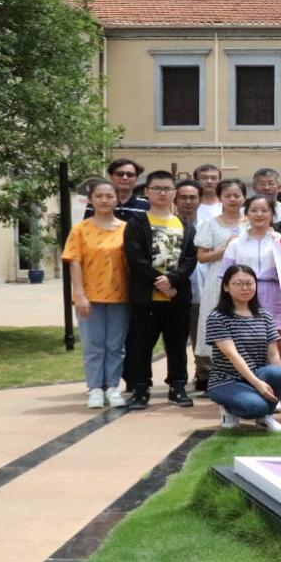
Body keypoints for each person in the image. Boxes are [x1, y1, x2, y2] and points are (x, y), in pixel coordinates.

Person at [123, 170, 198, 410]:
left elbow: (190, 259)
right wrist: (162, 282)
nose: (162, 193)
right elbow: (135, 259)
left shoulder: (185, 225)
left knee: (177, 346)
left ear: (174, 193)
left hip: (177, 298)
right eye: (157, 188)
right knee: (141, 345)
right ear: (147, 191)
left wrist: (173, 281)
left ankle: (177, 386)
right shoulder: (136, 224)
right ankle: (140, 388)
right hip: (145, 298)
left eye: (167, 188)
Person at [62, 179, 130, 408]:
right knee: (93, 345)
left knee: (115, 346)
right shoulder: (80, 229)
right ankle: (95, 388)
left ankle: (112, 387)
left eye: (109, 196)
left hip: (120, 296)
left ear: (117, 199)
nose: (104, 200)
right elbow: (74, 262)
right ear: (90, 200)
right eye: (99, 196)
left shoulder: (126, 229)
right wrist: (79, 294)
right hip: (89, 297)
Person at [206, 264, 281, 432]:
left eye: (249, 283)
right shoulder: (217, 317)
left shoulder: (264, 316)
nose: (245, 288)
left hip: (257, 374)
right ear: (226, 287)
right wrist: (257, 384)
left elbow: (273, 354)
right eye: (238, 284)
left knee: (278, 373)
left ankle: (265, 417)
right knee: (255, 406)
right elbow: (232, 355)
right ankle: (228, 409)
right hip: (227, 380)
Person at [192, 179, 248, 390]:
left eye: (237, 195)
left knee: (245, 326)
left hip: (247, 283)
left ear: (244, 198)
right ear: (220, 198)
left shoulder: (251, 223)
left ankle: (244, 376)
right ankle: (216, 376)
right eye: (227, 195)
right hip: (218, 282)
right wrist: (226, 249)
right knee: (218, 327)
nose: (232, 199)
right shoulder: (210, 224)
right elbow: (202, 257)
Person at [219, 194, 281, 332]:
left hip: (275, 297)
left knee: (274, 340)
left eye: (264, 210)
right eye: (254, 210)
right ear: (246, 213)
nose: (259, 214)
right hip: (242, 297)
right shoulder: (236, 244)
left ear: (272, 213)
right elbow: (226, 277)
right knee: (244, 340)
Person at [173, 180, 205, 390]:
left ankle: (204, 374)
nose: (188, 202)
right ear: (175, 199)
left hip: (203, 289)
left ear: (200, 200)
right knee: (176, 339)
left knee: (202, 336)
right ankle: (177, 379)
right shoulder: (169, 225)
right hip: (174, 289)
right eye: (183, 197)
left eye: (192, 197)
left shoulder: (208, 225)